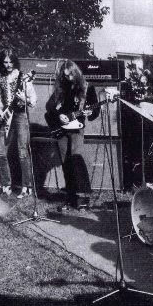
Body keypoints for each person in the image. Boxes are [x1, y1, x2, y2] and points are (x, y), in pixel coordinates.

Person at [45, 60, 100, 210]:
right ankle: (70, 198)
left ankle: (82, 197)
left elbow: (95, 112)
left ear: (76, 72)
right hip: (62, 129)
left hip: (77, 128)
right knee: (65, 162)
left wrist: (91, 112)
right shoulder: (61, 87)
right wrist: (59, 115)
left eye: (70, 75)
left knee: (76, 159)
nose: (68, 78)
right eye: (65, 76)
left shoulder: (87, 88)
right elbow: (49, 106)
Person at [0, 48, 37, 198]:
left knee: (22, 152)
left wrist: (23, 98)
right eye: (5, 62)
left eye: (11, 61)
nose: (8, 64)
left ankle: (27, 187)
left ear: (15, 61)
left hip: (20, 116)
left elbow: (33, 101)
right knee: (0, 153)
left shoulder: (23, 78)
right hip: (7, 118)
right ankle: (6, 185)